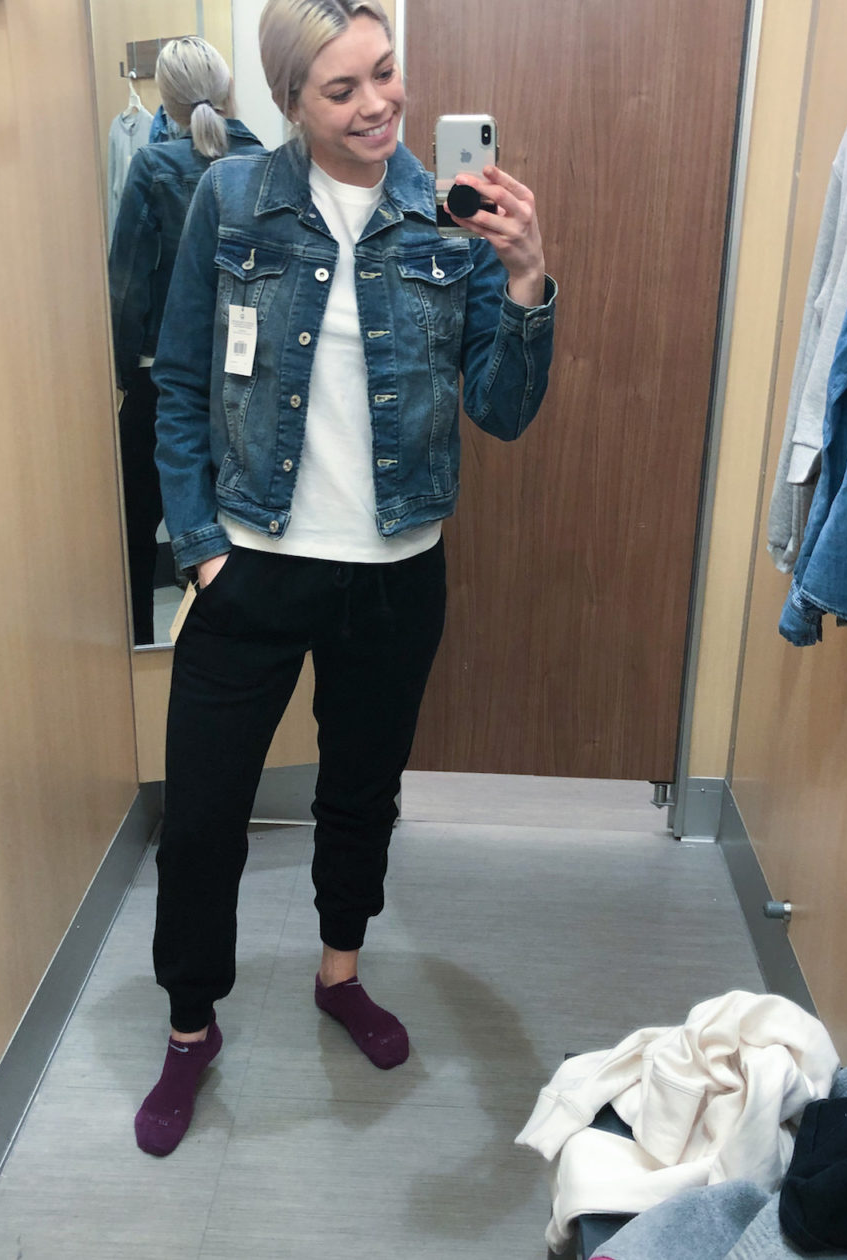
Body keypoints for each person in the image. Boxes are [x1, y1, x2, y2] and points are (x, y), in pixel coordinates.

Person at [135, 0, 557, 1156]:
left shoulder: (448, 213)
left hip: (394, 576)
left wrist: (525, 281)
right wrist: (200, 546)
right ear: (290, 101)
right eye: (342, 88)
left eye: (386, 71)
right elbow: (181, 383)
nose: (378, 104)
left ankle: (339, 973)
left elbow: (503, 411)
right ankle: (189, 1027)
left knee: (360, 797)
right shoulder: (232, 200)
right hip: (252, 570)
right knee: (203, 818)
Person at [108, 37, 263, 645]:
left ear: (165, 102)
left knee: (134, 526)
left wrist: (125, 374)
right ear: (230, 91)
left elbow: (127, 286)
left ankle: (140, 645)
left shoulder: (154, 168)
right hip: (248, 383)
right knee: (244, 528)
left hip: (161, 381)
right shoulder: (270, 163)